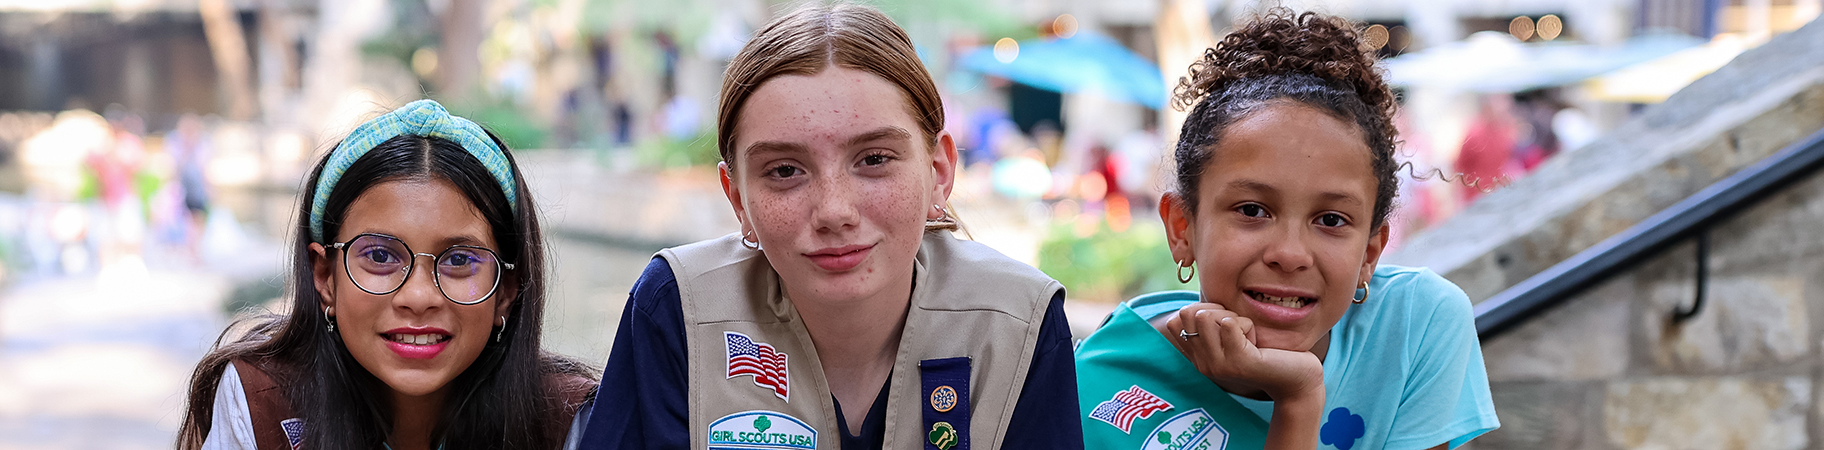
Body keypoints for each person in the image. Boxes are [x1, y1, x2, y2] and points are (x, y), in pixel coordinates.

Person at [578, 4, 1081, 450]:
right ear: (737, 198)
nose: (834, 211)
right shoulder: (677, 309)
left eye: (874, 159)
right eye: (784, 171)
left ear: (939, 173)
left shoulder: (1019, 322)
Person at [1075, 10, 1498, 450]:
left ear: (1369, 255)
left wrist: (1299, 393)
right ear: (1183, 228)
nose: (1290, 254)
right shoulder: (1100, 390)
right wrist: (1298, 399)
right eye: (1253, 210)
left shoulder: (1415, 324)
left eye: (1331, 220)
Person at [175, 100, 598, 450]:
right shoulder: (260, 403)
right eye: (379, 255)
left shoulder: (566, 421)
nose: (418, 296)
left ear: (506, 290)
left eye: (458, 261)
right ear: (325, 277)